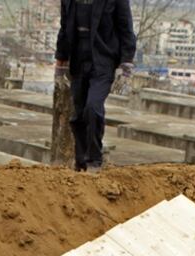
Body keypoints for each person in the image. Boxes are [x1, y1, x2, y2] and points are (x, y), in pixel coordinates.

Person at [54, 0, 136, 172]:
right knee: (78, 115)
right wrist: (60, 64)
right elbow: (64, 29)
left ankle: (94, 161)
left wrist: (126, 64)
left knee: (93, 108)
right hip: (78, 61)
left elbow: (126, 29)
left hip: (103, 62)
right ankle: (80, 162)